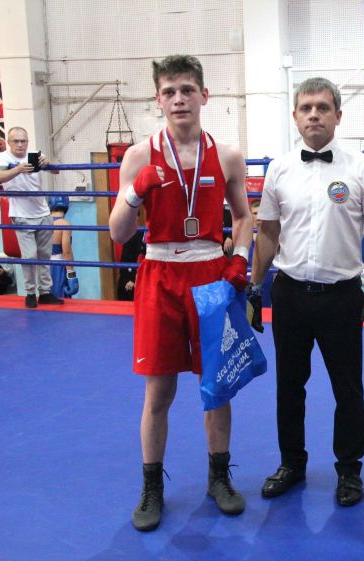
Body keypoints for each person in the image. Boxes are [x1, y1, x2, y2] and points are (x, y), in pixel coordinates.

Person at [108, 54, 253, 532]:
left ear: (203, 95)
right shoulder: (139, 156)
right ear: (158, 99)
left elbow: (244, 216)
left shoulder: (227, 155)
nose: (179, 99)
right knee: (159, 389)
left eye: (187, 89)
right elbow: (118, 232)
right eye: (169, 91)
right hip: (159, 272)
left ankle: (219, 477)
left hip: (210, 273)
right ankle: (151, 486)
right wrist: (135, 193)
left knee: (217, 384)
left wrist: (241, 257)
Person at [248, 77, 364, 507]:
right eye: (306, 108)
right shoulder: (279, 168)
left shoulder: (363, 169)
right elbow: (267, 232)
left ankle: (349, 471)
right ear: (295, 116)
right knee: (289, 386)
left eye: (323, 107)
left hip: (342, 297)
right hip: (289, 294)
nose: (314, 115)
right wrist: (254, 287)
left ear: (338, 116)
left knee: (348, 388)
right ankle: (291, 463)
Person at [0, 127, 63, 308]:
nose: (20, 144)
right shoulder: (3, 158)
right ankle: (30, 293)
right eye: (15, 141)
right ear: (9, 142)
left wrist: (48, 163)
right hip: (21, 214)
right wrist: (18, 169)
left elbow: (56, 171)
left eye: (23, 141)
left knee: (45, 255)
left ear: (27, 142)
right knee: (29, 256)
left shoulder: (35, 155)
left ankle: (45, 292)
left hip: (43, 212)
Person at [47, 195, 79, 299]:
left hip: (44, 267)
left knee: (47, 299)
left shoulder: (43, 222)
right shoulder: (64, 224)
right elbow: (66, 252)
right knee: (61, 300)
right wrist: (71, 275)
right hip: (58, 268)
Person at [117, 230, 146, 301]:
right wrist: (132, 279)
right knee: (125, 286)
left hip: (145, 277)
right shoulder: (132, 237)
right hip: (131, 275)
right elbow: (125, 262)